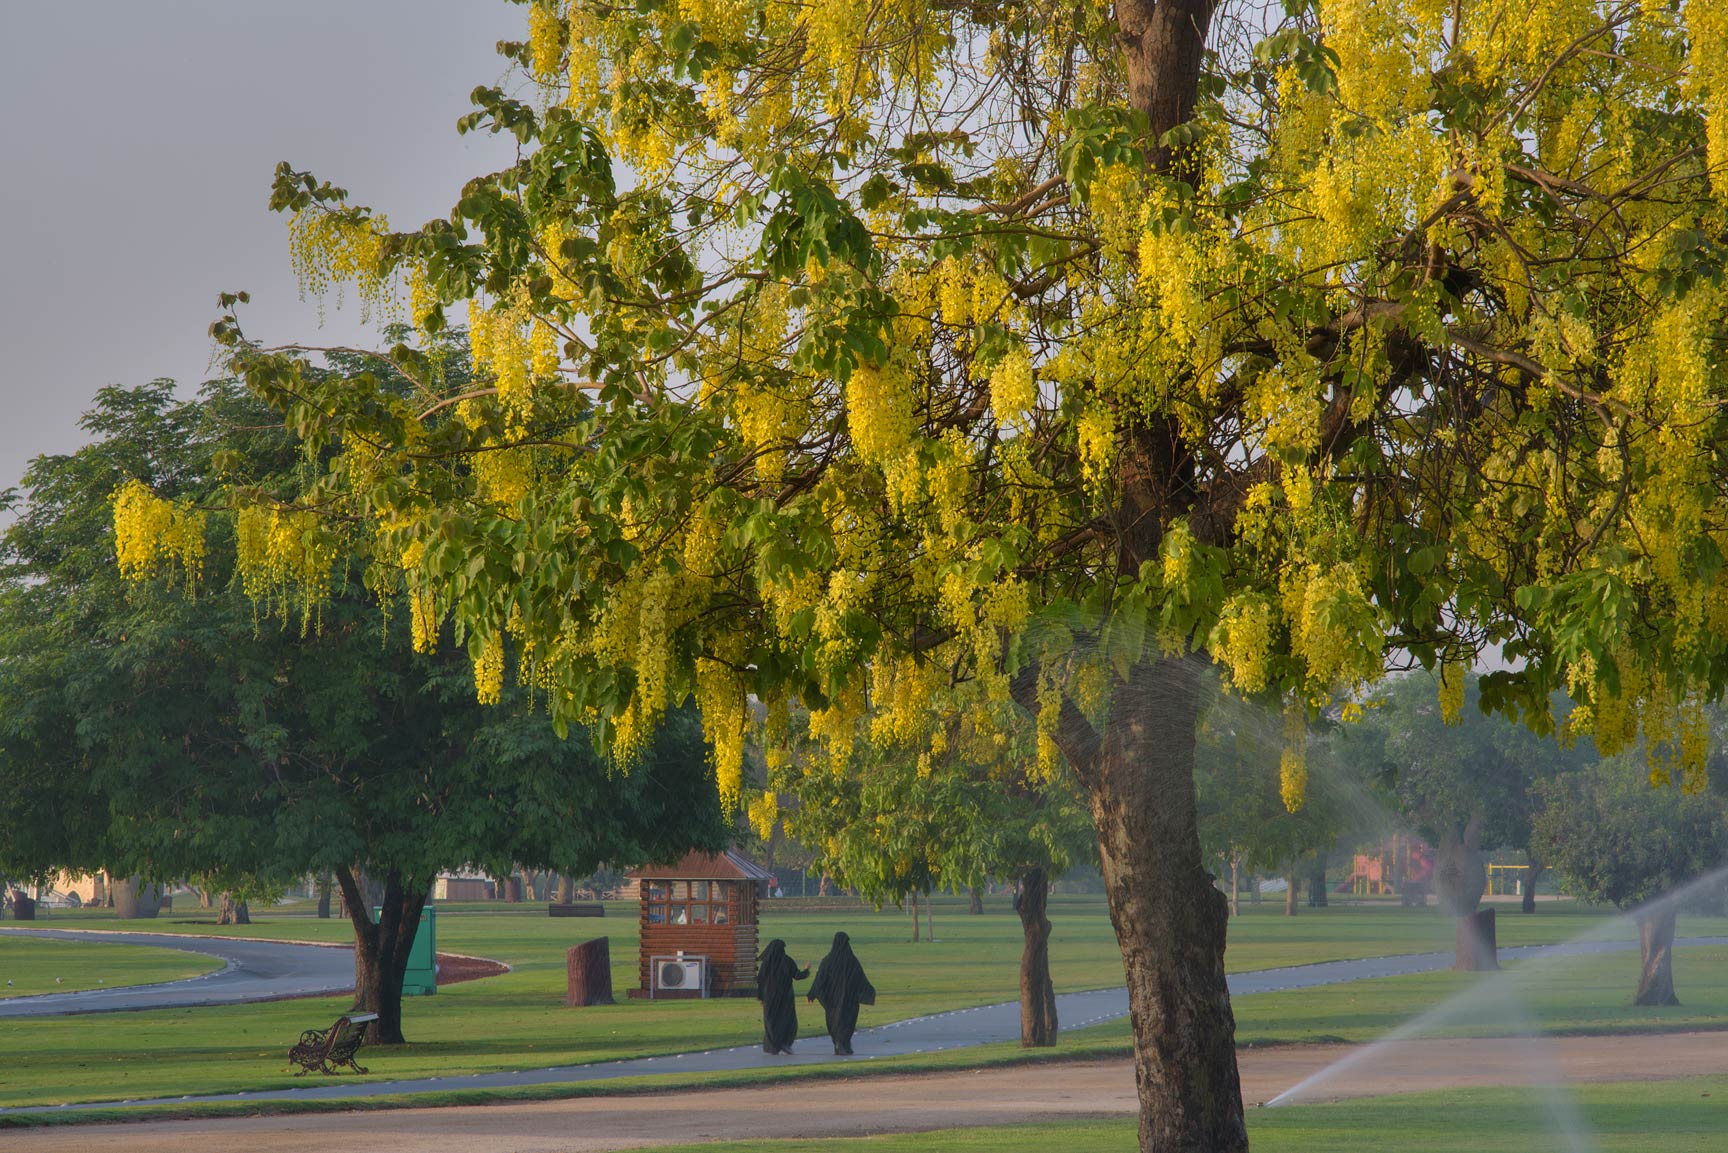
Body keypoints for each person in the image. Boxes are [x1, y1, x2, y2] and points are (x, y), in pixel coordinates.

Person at [806, 930, 875, 1055]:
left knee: (834, 1021)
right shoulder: (852, 960)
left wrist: (812, 993)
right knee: (848, 1021)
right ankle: (844, 1043)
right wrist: (870, 991)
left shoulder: (827, 960)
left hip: (832, 999)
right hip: (850, 998)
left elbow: (820, 979)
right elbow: (860, 978)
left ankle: (839, 1043)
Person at [755, 939, 808, 1054]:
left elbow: (760, 981)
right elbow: (798, 975)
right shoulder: (787, 961)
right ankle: (785, 1042)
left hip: (770, 997)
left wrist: (760, 997)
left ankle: (773, 1045)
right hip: (786, 997)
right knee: (787, 1019)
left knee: (771, 1021)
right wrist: (807, 970)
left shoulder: (766, 963)